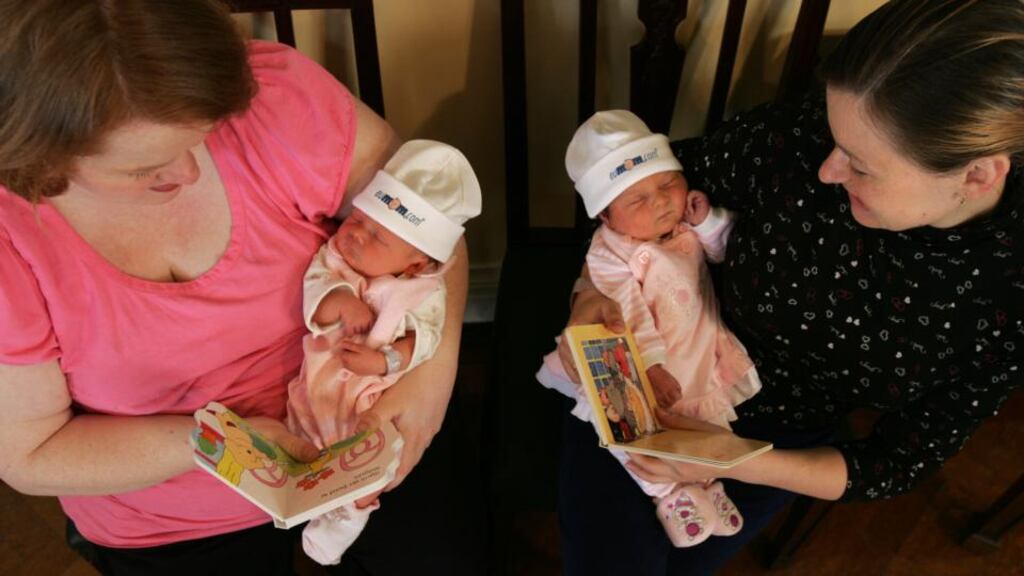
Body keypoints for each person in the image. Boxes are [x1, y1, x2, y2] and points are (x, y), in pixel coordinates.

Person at [0, 1, 478, 574]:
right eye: (142, 170)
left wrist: (430, 381)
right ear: (43, 156)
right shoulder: (13, 241)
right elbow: (30, 453)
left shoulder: (274, 94)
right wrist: (229, 444)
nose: (188, 174)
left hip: (365, 419)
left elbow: (430, 237)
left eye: (201, 138)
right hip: (172, 518)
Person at [555, 0, 1024, 574]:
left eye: (860, 163)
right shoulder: (801, 138)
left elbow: (896, 461)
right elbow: (632, 204)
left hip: (782, 442)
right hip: (662, 364)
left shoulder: (1005, 305)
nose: (827, 170)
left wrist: (734, 461)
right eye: (833, 136)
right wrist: (591, 293)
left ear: (978, 175)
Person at [536, 110, 760, 548]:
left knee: (709, 423)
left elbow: (726, 255)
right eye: (637, 200)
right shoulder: (609, 253)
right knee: (630, 432)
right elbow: (627, 312)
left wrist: (708, 222)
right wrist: (650, 367)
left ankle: (709, 483)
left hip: (698, 345)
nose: (660, 202)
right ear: (606, 216)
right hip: (637, 356)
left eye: (667, 184)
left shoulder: (684, 226)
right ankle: (668, 495)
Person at [289, 139, 481, 565]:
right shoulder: (336, 259)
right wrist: (340, 300)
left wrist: (386, 361)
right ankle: (321, 500)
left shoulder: (423, 289)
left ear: (413, 264)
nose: (355, 232)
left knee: (373, 451)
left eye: (376, 235)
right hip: (322, 382)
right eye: (357, 218)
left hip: (376, 389)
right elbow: (315, 287)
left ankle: (353, 509)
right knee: (308, 438)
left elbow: (427, 338)